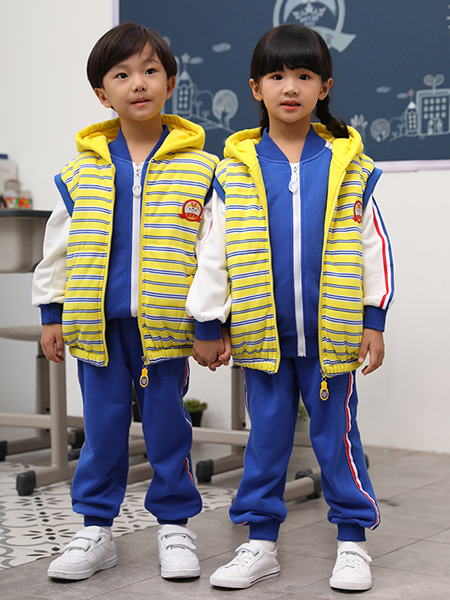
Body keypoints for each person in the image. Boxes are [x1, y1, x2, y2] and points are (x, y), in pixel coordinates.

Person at [186, 24, 394, 592]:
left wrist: (373, 319)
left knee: (337, 442)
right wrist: (207, 320)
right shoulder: (234, 172)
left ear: (324, 87)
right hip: (262, 337)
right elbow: (214, 250)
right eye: (277, 76)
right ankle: (259, 544)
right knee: (266, 442)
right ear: (256, 88)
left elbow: (372, 246)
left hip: (331, 338)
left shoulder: (350, 168)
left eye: (304, 75)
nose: (291, 87)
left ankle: (352, 542)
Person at [32, 22, 219, 582]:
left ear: (170, 83)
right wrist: (51, 313)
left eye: (150, 71)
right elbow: (57, 249)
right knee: (103, 431)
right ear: (102, 93)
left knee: (167, 430)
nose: (138, 83)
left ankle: (175, 526)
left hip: (165, 328)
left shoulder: (203, 169)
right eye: (122, 74)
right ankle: (95, 529)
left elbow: (213, 251)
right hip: (97, 327)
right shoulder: (80, 172)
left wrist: (209, 320)